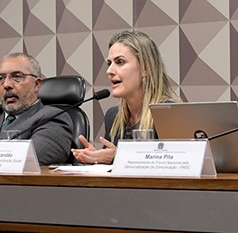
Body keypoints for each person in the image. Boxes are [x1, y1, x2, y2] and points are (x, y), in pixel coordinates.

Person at [71, 30, 181, 164]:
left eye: (120, 62)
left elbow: (176, 165)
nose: (109, 71)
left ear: (146, 68)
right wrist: (97, 158)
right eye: (109, 63)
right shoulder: (113, 116)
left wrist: (118, 156)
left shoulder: (168, 113)